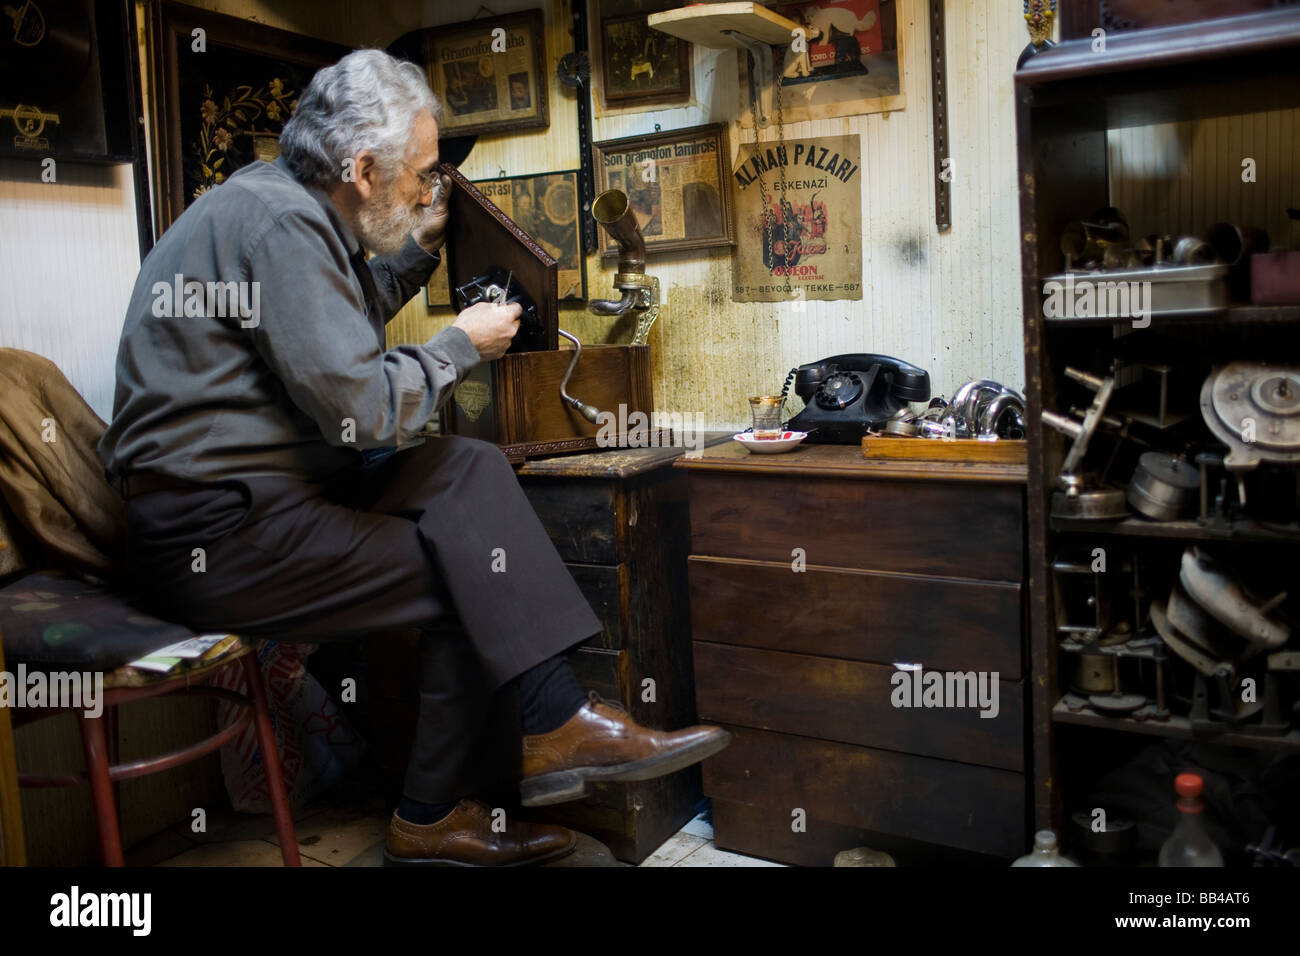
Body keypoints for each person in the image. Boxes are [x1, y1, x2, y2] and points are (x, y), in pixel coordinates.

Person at [98, 48, 729, 867]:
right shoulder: (283, 224)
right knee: (469, 575)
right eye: (422, 177)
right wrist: (455, 347)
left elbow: (321, 326)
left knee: (468, 469)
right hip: (213, 530)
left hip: (267, 494)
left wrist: (421, 250)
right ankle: (450, 800)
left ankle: (554, 725)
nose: (428, 191)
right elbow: (360, 409)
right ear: (362, 167)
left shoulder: (279, 205)